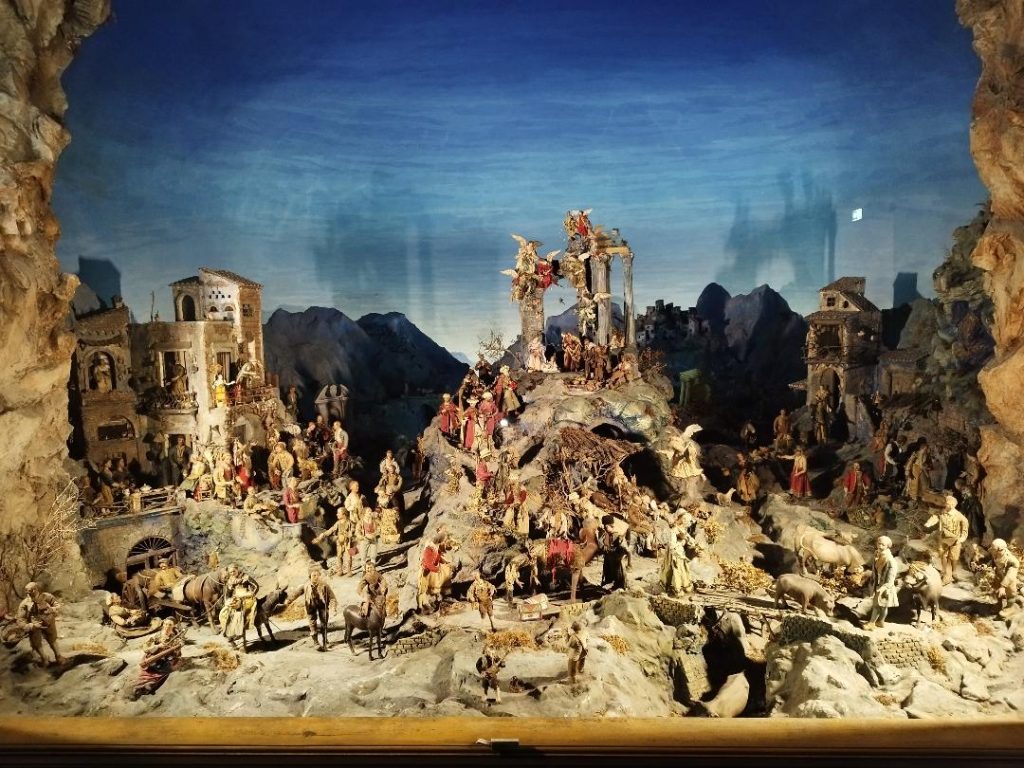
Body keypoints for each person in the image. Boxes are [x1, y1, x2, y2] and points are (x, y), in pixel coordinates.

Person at [131, 618, 183, 698]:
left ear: (173, 626)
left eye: (170, 625)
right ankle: (140, 685)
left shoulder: (176, 638)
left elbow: (178, 653)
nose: (167, 626)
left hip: (166, 658)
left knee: (165, 668)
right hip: (153, 656)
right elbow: (145, 648)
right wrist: (157, 646)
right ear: (163, 624)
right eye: (166, 624)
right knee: (150, 667)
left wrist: (175, 649)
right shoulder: (157, 636)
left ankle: (151, 684)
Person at [924, 494, 969, 585]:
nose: (945, 505)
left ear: (952, 505)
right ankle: (944, 571)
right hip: (943, 538)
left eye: (947, 504)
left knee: (954, 556)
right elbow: (935, 517)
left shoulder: (959, 516)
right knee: (943, 555)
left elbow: (965, 528)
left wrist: (961, 539)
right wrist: (929, 523)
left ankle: (954, 572)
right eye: (945, 503)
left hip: (955, 540)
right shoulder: (942, 513)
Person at [16, 582, 63, 666]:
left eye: (30, 591)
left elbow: (57, 605)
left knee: (52, 639)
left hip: (48, 621)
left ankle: (58, 657)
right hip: (35, 625)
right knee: (36, 643)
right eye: (27, 591)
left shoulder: (46, 596)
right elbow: (20, 620)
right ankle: (44, 658)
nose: (28, 593)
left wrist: (52, 609)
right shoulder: (25, 604)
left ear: (35, 589)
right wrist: (31, 626)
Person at [866, 536, 898, 629]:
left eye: (883, 545)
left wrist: (884, 587)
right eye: (878, 543)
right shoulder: (877, 555)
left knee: (880, 606)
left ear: (887, 546)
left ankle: (873, 623)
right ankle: (880, 622)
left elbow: (891, 578)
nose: (880, 546)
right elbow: (874, 570)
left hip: (885, 587)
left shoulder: (890, 560)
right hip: (877, 584)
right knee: (880, 605)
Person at [313, 508, 355, 576]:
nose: (337, 514)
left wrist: (351, 532)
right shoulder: (338, 523)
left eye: (339, 513)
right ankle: (340, 570)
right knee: (339, 556)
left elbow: (353, 528)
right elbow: (331, 530)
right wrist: (323, 535)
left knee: (349, 556)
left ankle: (349, 570)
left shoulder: (349, 522)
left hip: (348, 542)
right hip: (340, 542)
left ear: (344, 515)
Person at [303, 569, 336, 652]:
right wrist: (288, 601)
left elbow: (332, 597)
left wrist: (333, 608)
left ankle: (325, 640)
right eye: (314, 575)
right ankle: (316, 642)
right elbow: (296, 593)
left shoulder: (324, 585)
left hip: (322, 605)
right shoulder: (306, 585)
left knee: (324, 623)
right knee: (312, 623)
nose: (316, 577)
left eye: (318, 575)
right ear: (310, 577)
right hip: (310, 606)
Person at [660, 520, 695, 596]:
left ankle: (683, 586)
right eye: (686, 521)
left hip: (680, 551)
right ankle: (676, 588)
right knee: (675, 570)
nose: (688, 524)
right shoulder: (674, 530)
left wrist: (688, 541)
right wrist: (680, 543)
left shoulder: (683, 529)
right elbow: (672, 545)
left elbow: (689, 539)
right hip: (674, 553)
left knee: (682, 569)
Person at [988, 539, 1020, 615]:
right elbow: (993, 562)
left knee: (1010, 594)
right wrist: (986, 566)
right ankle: (999, 604)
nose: (991, 550)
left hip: (1008, 580)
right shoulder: (995, 554)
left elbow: (1011, 575)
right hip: (999, 576)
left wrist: (1003, 586)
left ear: (1000, 550)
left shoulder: (1012, 561)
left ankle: (1010, 608)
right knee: (997, 590)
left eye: (993, 549)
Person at [566, 620, 588, 685]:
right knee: (581, 660)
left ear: (573, 629)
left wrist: (568, 636)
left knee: (571, 666)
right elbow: (587, 640)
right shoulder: (584, 633)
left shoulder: (573, 637)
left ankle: (572, 680)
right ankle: (580, 670)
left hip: (575, 654)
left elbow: (568, 645)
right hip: (582, 651)